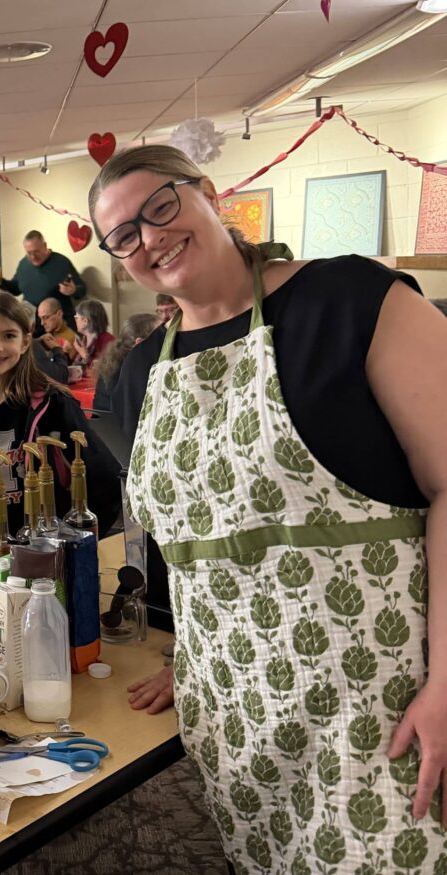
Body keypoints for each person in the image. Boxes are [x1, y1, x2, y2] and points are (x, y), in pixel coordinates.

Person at [88, 144, 447, 871]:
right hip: (236, 724)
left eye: (160, 205)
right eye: (123, 235)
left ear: (209, 193)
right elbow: (196, 542)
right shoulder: (137, 375)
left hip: (378, 711)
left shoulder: (352, 301)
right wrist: (186, 656)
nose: (148, 238)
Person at [0, 293, 122, 551]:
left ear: (26, 342)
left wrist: (77, 547)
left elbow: (105, 477)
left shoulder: (54, 403)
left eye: (9, 336)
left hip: (42, 557)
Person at [0, 230, 86, 327]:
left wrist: (74, 290)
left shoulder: (61, 262)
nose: (33, 257)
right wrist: (0, 281)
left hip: (59, 327)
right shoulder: (23, 264)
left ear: (45, 246)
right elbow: (16, 289)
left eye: (36, 252)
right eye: (29, 253)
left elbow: (83, 290)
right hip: (31, 325)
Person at [92, 312, 160, 412]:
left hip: (102, 426)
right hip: (121, 426)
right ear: (140, 343)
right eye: (161, 335)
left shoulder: (111, 362)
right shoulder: (136, 371)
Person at [69, 298, 115, 376]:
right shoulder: (83, 339)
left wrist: (85, 355)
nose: (75, 320)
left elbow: (105, 371)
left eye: (76, 317)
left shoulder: (108, 341)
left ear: (85, 321)